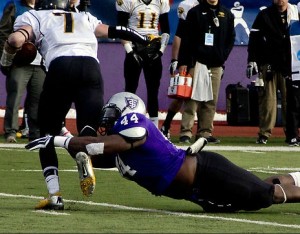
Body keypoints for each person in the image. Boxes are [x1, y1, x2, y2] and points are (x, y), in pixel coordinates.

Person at [26, 91, 300, 212]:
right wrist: (68, 139)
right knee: (259, 191)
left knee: (268, 196)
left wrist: (59, 141)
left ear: (126, 109)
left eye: (112, 112)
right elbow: (94, 152)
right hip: (197, 192)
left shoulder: (134, 125)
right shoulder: (118, 146)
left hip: (206, 174)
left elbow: (114, 144)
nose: (106, 119)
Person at [1, 0, 151, 209]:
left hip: (61, 66)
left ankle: (55, 196)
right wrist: (144, 38)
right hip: (90, 69)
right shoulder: (84, 16)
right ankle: (82, 151)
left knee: (47, 133)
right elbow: (116, 30)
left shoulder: (34, 16)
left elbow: (16, 40)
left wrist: (6, 59)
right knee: (88, 131)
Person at [177, 0, 235, 143]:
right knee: (192, 99)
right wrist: (183, 62)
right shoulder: (194, 12)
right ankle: (186, 132)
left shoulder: (227, 14)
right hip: (197, 62)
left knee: (211, 100)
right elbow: (186, 40)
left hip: (216, 64)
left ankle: (205, 133)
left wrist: (223, 56)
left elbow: (230, 38)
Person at [246, 0, 298, 145]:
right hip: (269, 64)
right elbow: (254, 39)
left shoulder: (295, 14)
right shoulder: (264, 15)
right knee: (267, 102)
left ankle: (292, 134)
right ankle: (264, 134)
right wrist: (252, 60)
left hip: (290, 65)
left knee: (291, 103)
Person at [115, 0, 170, 128]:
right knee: (130, 89)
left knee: (153, 90)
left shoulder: (161, 2)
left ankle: (154, 127)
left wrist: (161, 51)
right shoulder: (127, 1)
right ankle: (127, 124)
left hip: (154, 48)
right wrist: (130, 51)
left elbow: (166, 30)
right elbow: (121, 28)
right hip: (134, 46)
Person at [0, 0, 46, 143]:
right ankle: (11, 131)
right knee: (14, 97)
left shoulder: (46, 7)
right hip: (19, 61)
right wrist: (7, 56)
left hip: (40, 62)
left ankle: (35, 133)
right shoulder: (14, 5)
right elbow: (4, 32)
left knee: (37, 99)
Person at [160, 0, 201, 140]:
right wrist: (176, 59)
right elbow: (179, 35)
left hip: (206, 57)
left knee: (204, 98)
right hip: (189, 57)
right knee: (182, 95)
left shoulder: (217, 9)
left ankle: (203, 132)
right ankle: (167, 125)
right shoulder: (188, 6)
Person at [286, 2, 300, 146]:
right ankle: (292, 135)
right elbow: (286, 51)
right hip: (296, 72)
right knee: (294, 106)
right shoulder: (292, 28)